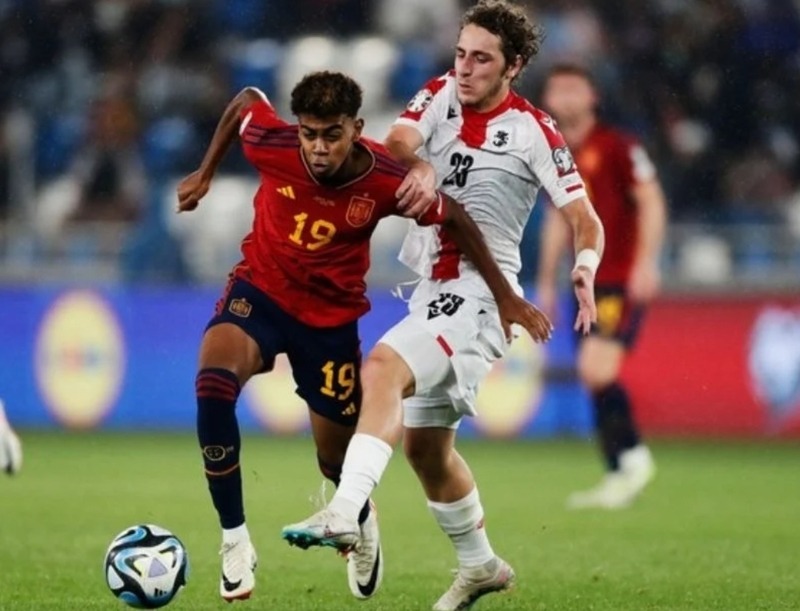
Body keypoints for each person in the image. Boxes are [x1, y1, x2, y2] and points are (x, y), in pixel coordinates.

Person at [176, 70, 551, 603]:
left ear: (356, 129)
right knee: (212, 386)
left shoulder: (384, 179)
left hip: (328, 324)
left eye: (332, 135)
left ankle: (360, 517)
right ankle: (234, 540)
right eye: (309, 134)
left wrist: (505, 296)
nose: (318, 148)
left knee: (335, 460)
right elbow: (247, 100)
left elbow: (455, 218)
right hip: (260, 292)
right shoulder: (271, 143)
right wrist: (205, 172)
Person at [282, 3, 604, 609]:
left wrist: (584, 267)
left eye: (481, 59)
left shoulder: (534, 130)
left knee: (382, 368)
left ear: (514, 65)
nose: (465, 68)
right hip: (432, 291)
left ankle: (346, 511)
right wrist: (420, 165)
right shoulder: (439, 94)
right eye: (460, 54)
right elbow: (395, 144)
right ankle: (480, 566)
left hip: (483, 296)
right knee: (427, 450)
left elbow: (584, 218)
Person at [536, 63, 667, 509]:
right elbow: (558, 220)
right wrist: (545, 282)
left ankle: (634, 459)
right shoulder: (556, 155)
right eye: (558, 89)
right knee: (591, 377)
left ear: (593, 97)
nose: (566, 97)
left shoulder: (618, 146)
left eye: (575, 88)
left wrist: (646, 262)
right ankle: (618, 471)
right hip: (583, 283)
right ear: (548, 100)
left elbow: (651, 201)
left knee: (597, 371)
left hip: (619, 278)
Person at [0, 399, 22, 475]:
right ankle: (6, 464)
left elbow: (3, 418)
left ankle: (11, 465)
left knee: (14, 442)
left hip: (3, 427)